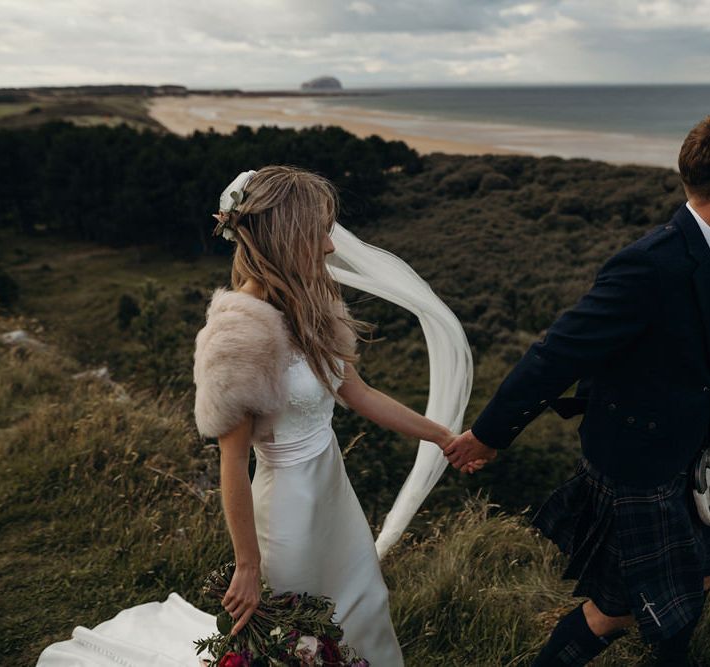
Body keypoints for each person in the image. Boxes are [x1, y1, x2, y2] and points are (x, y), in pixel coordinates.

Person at [445, 116, 710, 666]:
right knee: (629, 609)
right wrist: (490, 435)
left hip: (696, 453)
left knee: (685, 591)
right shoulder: (649, 264)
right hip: (643, 461)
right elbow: (557, 354)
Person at [194, 165, 465, 665]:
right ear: (284, 236)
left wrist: (442, 436)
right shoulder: (237, 332)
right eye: (319, 232)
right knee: (301, 629)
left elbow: (358, 393)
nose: (330, 247)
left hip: (333, 490)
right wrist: (248, 564)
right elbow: (232, 463)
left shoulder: (313, 303)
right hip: (287, 511)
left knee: (362, 602)